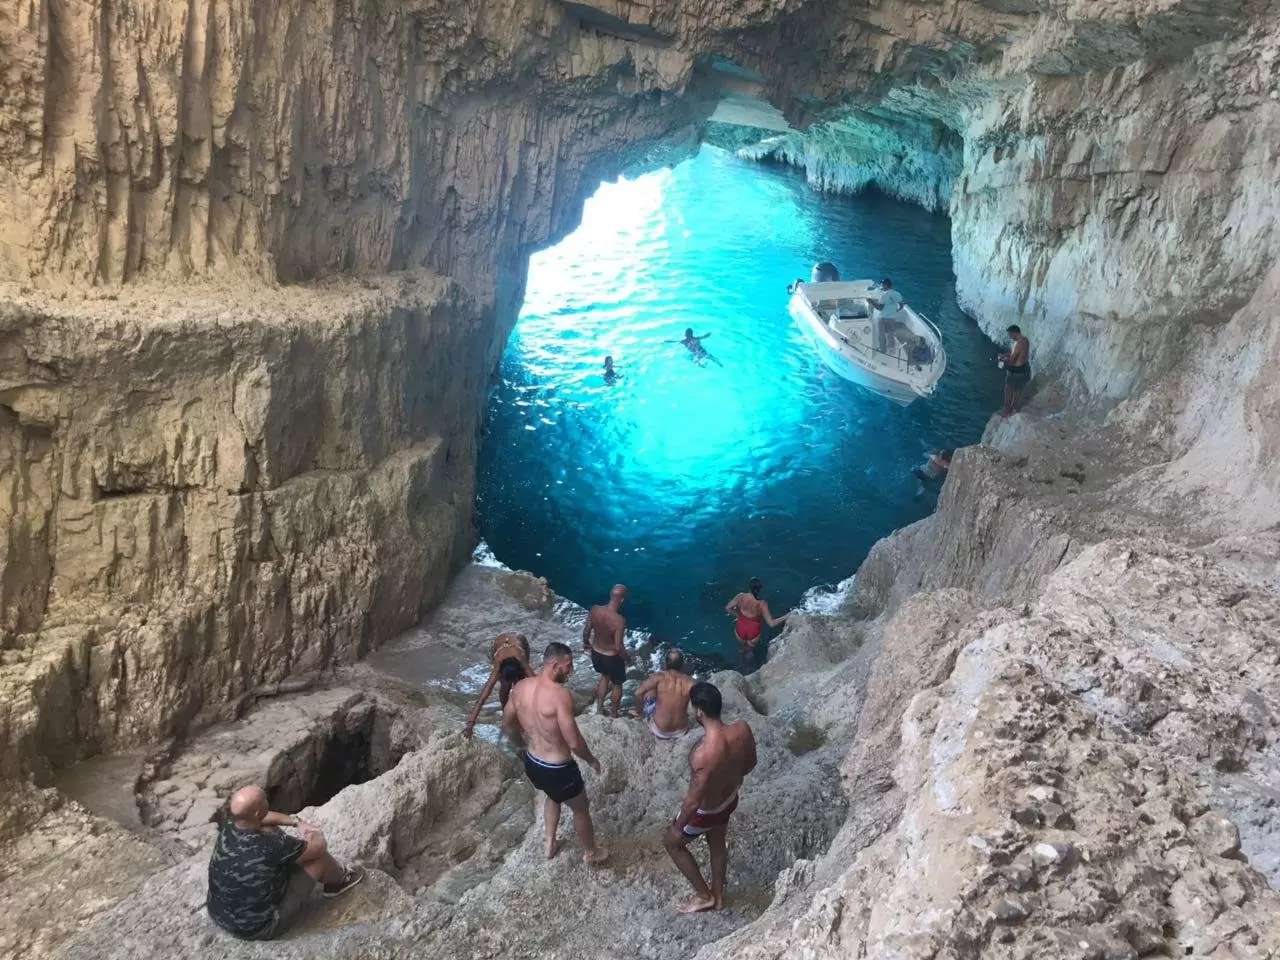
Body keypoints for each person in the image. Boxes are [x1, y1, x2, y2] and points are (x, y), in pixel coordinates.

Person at [206, 785, 364, 941]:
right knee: (320, 860)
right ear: (257, 812)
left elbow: (261, 818)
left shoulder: (229, 826)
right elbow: (319, 848)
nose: (267, 801)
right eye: (265, 800)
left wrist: (295, 821)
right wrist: (313, 831)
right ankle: (340, 881)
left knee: (271, 831)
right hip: (260, 927)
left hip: (219, 914)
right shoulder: (273, 845)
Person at [503, 641, 608, 863]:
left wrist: (521, 747)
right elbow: (573, 742)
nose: (571, 670)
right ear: (554, 664)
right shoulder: (560, 696)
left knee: (552, 795)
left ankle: (549, 843)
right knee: (581, 808)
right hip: (558, 769)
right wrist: (592, 760)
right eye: (568, 665)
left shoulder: (520, 688)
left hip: (533, 763)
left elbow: (507, 724)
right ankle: (591, 852)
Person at [662, 682, 757, 914]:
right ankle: (719, 895)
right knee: (717, 843)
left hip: (707, 811)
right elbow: (751, 763)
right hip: (730, 800)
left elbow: (694, 801)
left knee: (672, 844)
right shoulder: (742, 729)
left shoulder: (702, 754)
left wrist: (677, 828)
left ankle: (704, 896)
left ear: (699, 712)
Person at [464, 632, 531, 738]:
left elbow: (539, 683)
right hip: (499, 646)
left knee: (523, 688)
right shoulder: (498, 665)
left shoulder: (521, 659)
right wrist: (470, 724)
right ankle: (506, 715)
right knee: (505, 688)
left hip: (520, 643)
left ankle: (521, 718)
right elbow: (482, 697)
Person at [584, 584, 629, 717]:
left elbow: (586, 630)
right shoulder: (619, 620)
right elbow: (618, 646)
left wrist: (585, 643)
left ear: (610, 595)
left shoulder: (595, 609)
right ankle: (614, 714)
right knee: (617, 684)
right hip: (611, 657)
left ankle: (599, 709)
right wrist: (628, 659)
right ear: (622, 600)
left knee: (604, 676)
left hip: (596, 652)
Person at [633, 648, 695, 740]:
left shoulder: (659, 677)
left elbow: (638, 693)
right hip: (681, 731)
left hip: (659, 729)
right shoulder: (691, 682)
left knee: (650, 692)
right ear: (682, 664)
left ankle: (639, 715)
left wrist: (639, 713)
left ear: (666, 663)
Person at [725, 578, 786, 670]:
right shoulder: (762, 604)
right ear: (759, 589)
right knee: (750, 651)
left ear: (749, 587)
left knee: (742, 647)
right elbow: (771, 623)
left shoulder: (740, 596)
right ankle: (749, 670)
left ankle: (740, 664)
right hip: (753, 631)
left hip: (740, 629)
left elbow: (728, 608)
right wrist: (787, 615)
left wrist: (739, 615)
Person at [998, 324, 1032, 416]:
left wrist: (1002, 360)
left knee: (1008, 390)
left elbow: (1012, 359)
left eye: (1010, 334)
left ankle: (1006, 411)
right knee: (1018, 390)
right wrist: (1005, 355)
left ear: (1014, 333)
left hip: (1015, 371)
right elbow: (1016, 353)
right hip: (1023, 369)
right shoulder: (1025, 340)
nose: (1009, 337)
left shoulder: (1018, 343)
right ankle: (1015, 409)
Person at [868, 278, 905, 353]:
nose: (881, 286)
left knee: (882, 334)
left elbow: (880, 308)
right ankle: (891, 349)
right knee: (890, 334)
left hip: (882, 318)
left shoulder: (884, 295)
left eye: (882, 284)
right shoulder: (897, 294)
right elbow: (901, 305)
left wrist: (871, 302)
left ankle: (883, 350)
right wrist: (896, 310)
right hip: (892, 318)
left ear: (885, 285)